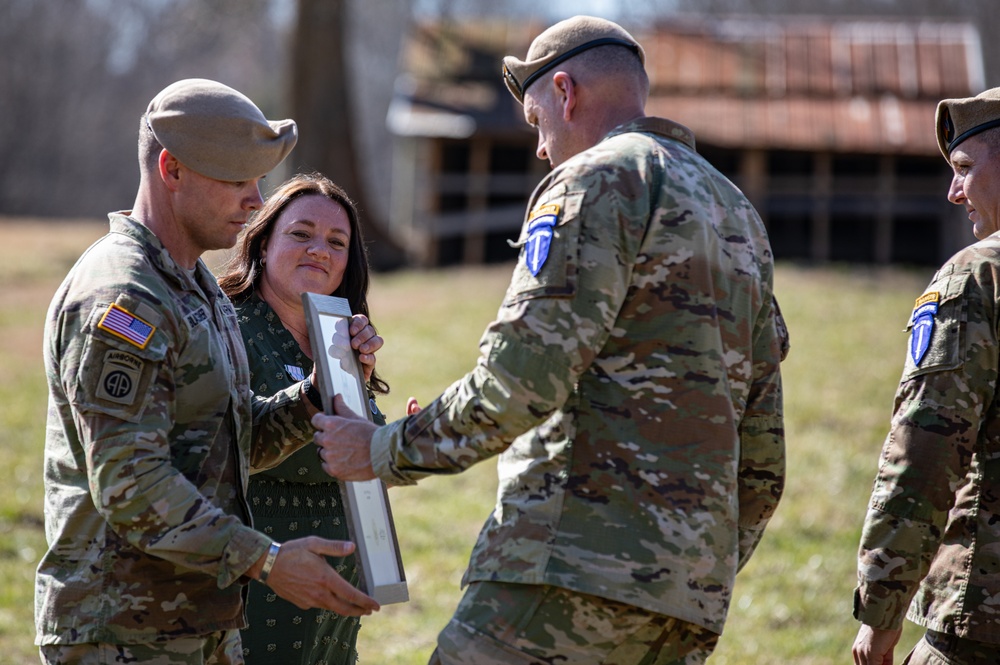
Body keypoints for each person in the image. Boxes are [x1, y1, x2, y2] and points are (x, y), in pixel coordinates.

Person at [313, 15, 788, 665]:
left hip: (567, 574)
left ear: (565, 91)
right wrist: (702, 568)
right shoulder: (738, 214)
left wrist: (383, 448)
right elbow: (762, 446)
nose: (540, 149)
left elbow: (520, 380)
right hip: (684, 605)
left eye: (537, 122)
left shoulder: (596, 181)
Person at [35, 79, 379, 665]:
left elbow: (233, 438)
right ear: (171, 169)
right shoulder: (126, 298)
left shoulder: (195, 287)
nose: (255, 199)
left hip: (200, 626)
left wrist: (321, 393)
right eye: (236, 179)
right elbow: (131, 485)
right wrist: (266, 560)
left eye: (258, 180)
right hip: (121, 633)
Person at [217, 173, 392, 664]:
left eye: (337, 242)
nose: (321, 249)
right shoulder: (226, 326)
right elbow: (240, 445)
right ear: (263, 242)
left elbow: (360, 467)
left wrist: (399, 441)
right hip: (258, 596)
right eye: (301, 233)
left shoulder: (340, 340)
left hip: (330, 615)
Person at [852, 87, 1000, 665]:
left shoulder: (980, 275)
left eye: (965, 168)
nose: (953, 190)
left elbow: (926, 452)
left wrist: (882, 614)